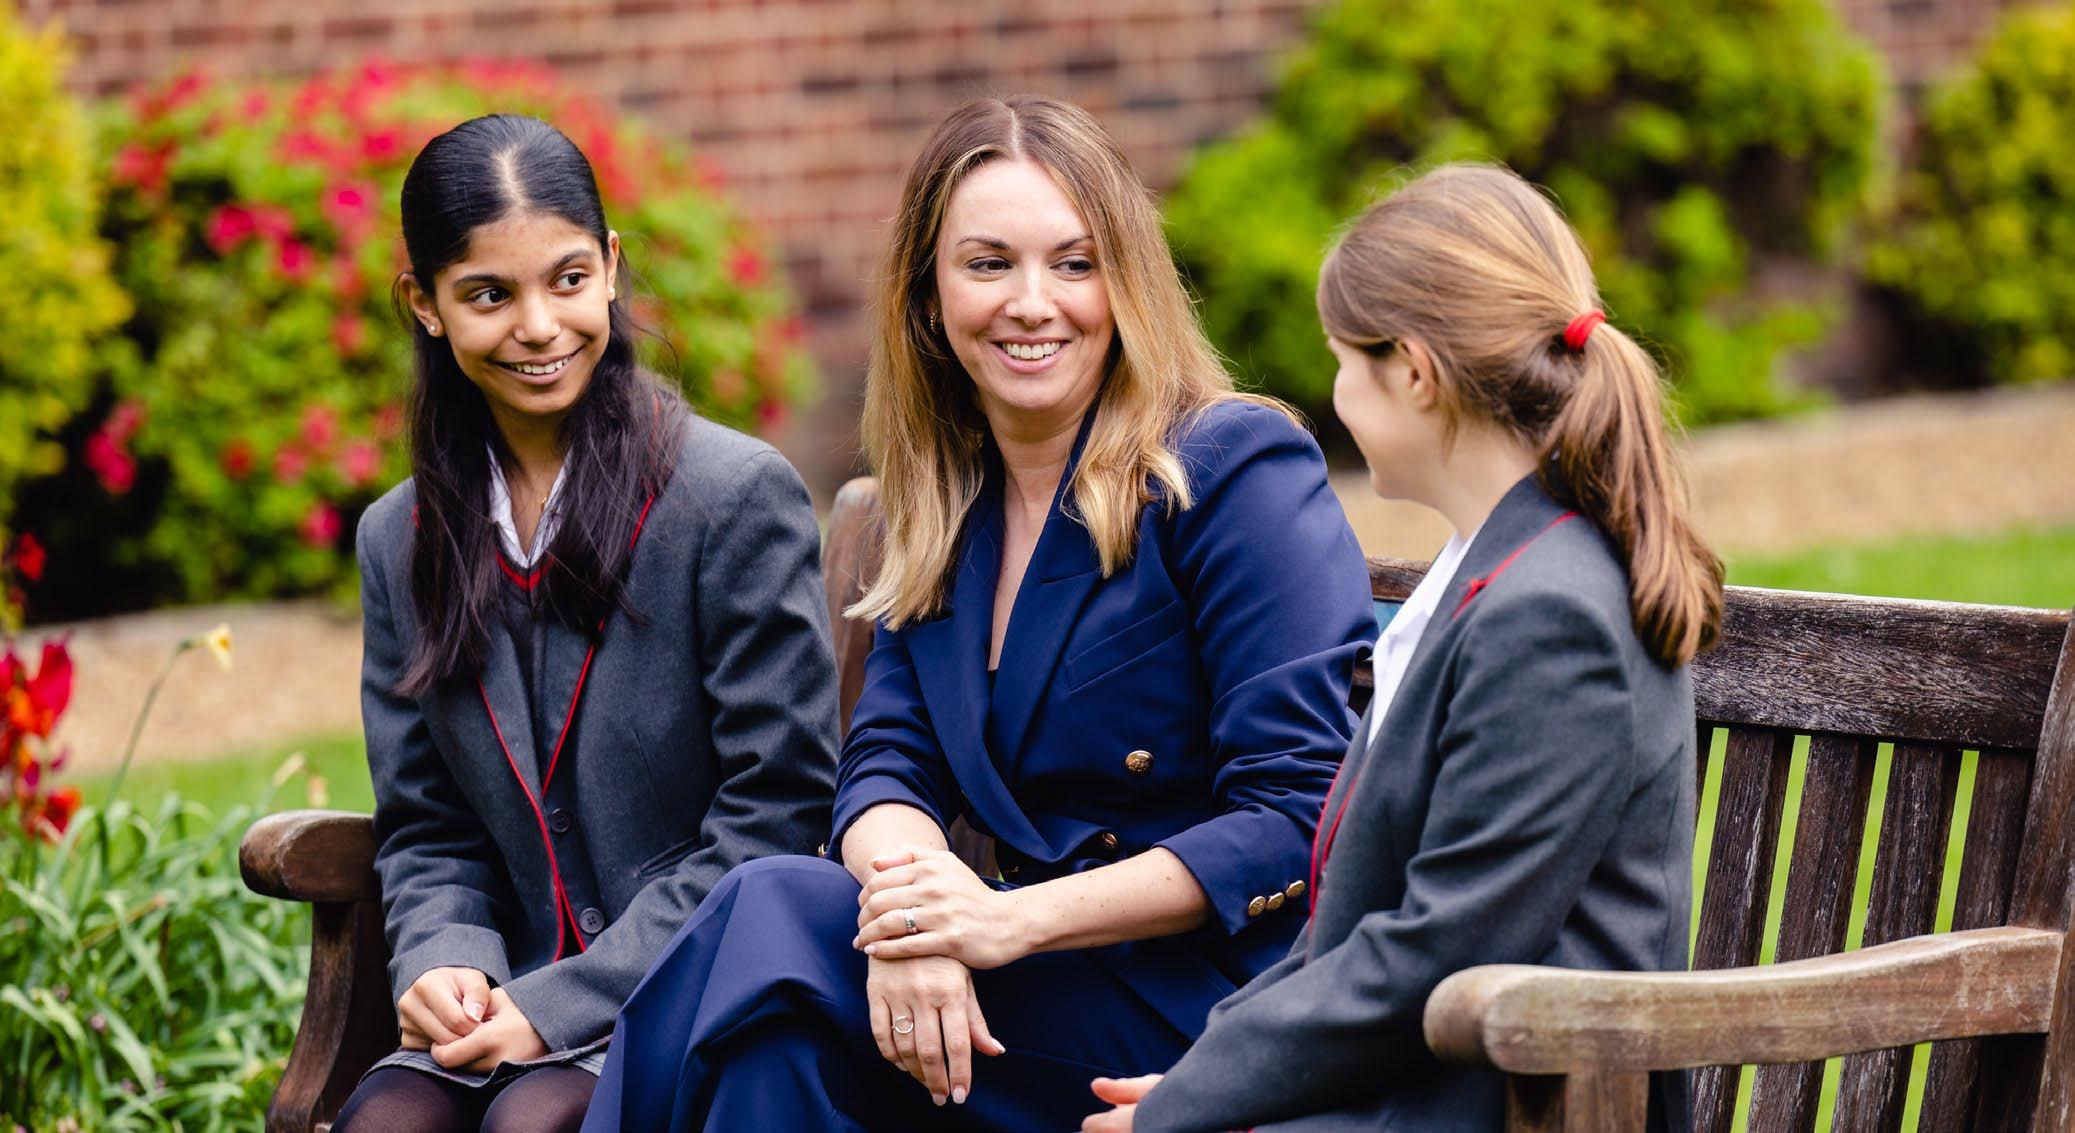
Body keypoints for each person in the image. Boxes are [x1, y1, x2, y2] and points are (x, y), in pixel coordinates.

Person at [583, 94, 1377, 1132]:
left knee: (766, 905)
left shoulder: (1229, 467)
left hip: (1200, 1004)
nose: (1032, 303)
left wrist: (1001, 921)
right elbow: (886, 763)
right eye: (989, 263)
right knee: (770, 1048)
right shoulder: (950, 506)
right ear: (929, 294)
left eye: (1074, 263)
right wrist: (915, 926)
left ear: (1126, 281)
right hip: (1027, 992)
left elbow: (1294, 812)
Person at [1085, 162, 1722, 1133]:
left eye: (1343, 359)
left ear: (1415, 372)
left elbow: (1438, 952)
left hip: (1517, 1101)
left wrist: (1182, 1108)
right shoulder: (1491, 564)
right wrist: (1195, 1086)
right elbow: (1361, 936)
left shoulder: (1551, 617)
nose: (1336, 391)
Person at [332, 114, 838, 1133]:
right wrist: (443, 961)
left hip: (697, 984)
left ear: (608, 266)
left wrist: (555, 1006)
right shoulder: (400, 537)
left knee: (533, 1122)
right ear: (423, 304)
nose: (538, 326)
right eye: (488, 294)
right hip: (503, 990)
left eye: (567, 279)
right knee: (384, 1121)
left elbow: (776, 813)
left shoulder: (729, 498)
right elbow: (428, 823)